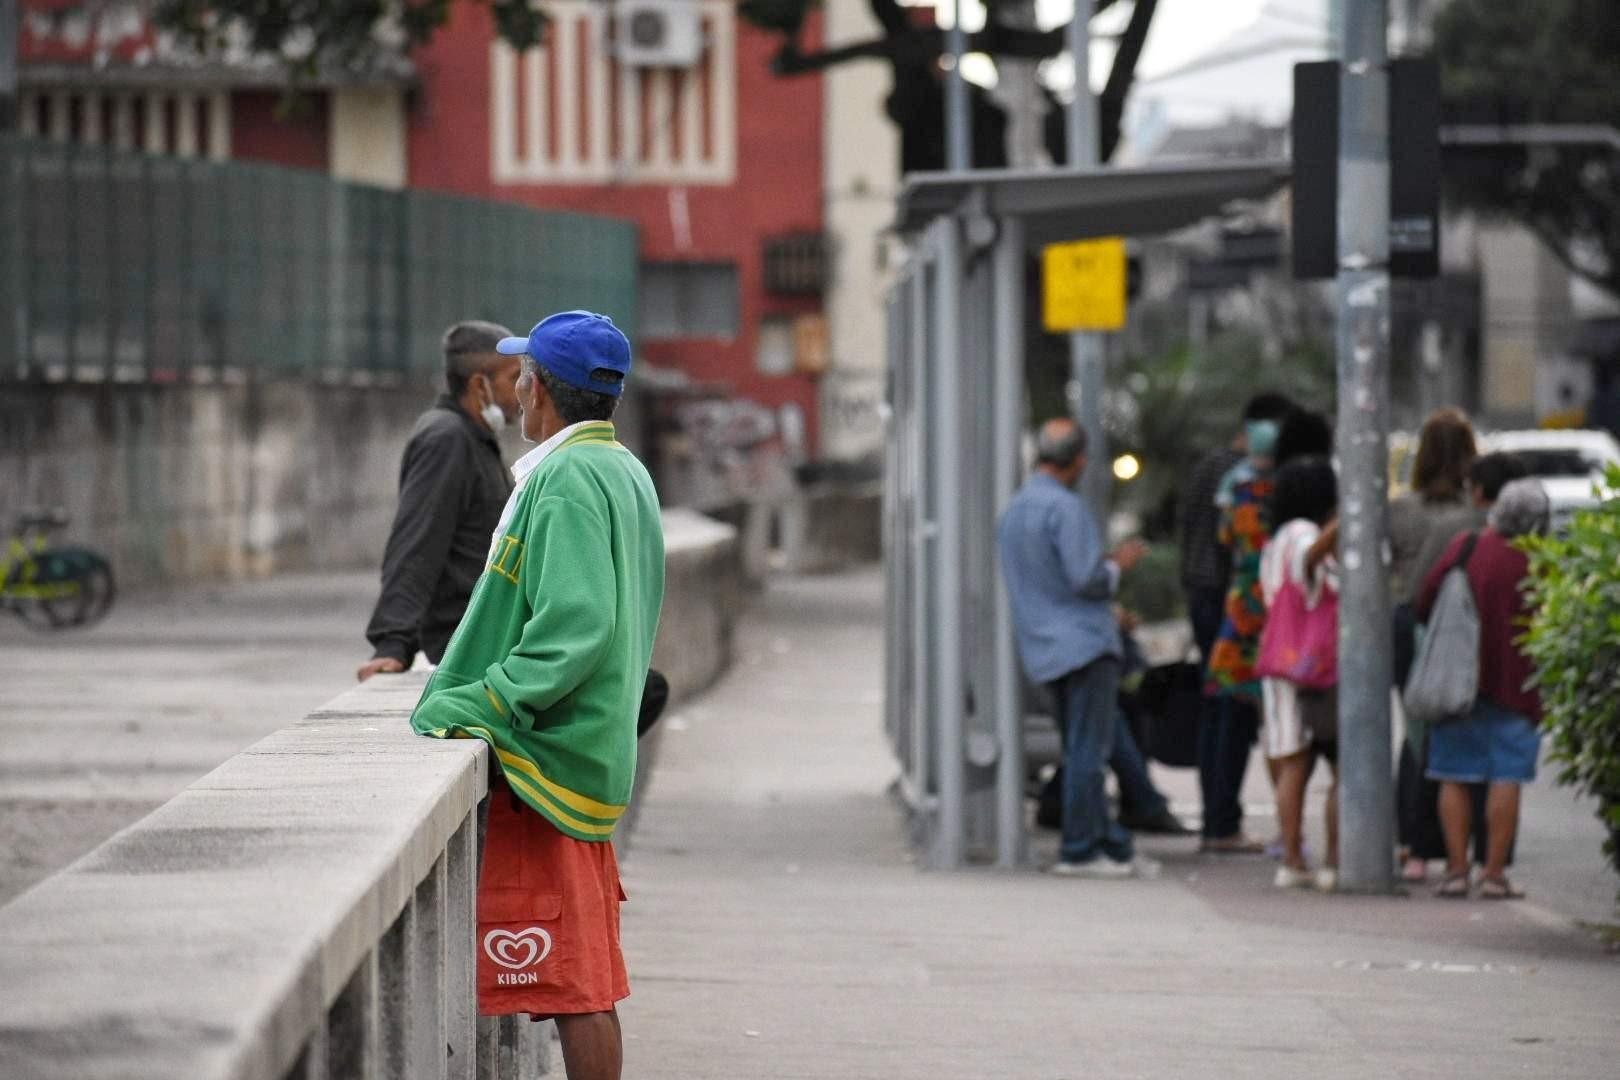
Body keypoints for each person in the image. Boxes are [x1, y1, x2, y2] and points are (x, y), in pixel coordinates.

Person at [411, 311, 663, 1080]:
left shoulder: (566, 479)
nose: (517, 391)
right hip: (581, 752)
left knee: (577, 985)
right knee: (573, 979)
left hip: (551, 756)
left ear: (537, 388)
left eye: (524, 377)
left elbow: (576, 626)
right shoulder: (621, 468)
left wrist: (490, 698)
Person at [999, 418, 1151, 878]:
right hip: (1084, 644)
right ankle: (1081, 848)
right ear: (1079, 459)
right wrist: (1117, 567)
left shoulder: (1015, 510)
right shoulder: (1066, 509)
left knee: (1077, 746)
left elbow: (1048, 577)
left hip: (1042, 646)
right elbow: (1085, 577)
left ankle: (1107, 842)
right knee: (1089, 751)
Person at [359, 321, 521, 680]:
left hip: (492, 634)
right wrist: (393, 642)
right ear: (480, 385)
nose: (522, 392)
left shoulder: (477, 438)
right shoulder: (446, 439)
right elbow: (416, 541)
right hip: (466, 645)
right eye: (514, 379)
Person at [1417, 479, 1550, 900]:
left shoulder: (1465, 547)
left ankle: (1456, 871)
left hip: (1458, 681)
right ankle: (1494, 875)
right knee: (1506, 777)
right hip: (1518, 685)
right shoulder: (1539, 562)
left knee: (1453, 775)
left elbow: (1425, 600)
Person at [1388, 408, 1478, 882]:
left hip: (1408, 624)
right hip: (1462, 627)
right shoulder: (1476, 515)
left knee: (1417, 734)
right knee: (1462, 734)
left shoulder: (1399, 511)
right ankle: (1460, 847)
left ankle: (1412, 843)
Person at [1257, 456, 1341, 891]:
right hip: (1316, 665)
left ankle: (1292, 857)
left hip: (1281, 661)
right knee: (1340, 765)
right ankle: (1333, 860)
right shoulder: (1305, 534)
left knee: (1292, 763)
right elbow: (1313, 570)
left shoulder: (1273, 542)